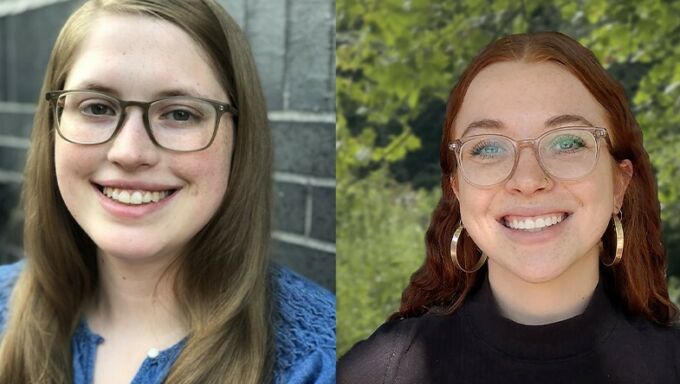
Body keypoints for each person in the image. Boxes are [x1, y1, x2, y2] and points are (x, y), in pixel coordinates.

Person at [0, 1, 335, 383]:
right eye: (96, 107)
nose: (129, 152)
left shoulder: (321, 363)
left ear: (239, 142)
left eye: (180, 114)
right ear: (53, 125)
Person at [338, 31, 680, 383]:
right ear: (457, 190)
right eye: (487, 148)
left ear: (619, 183)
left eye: (566, 142)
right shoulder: (376, 374)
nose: (528, 180)